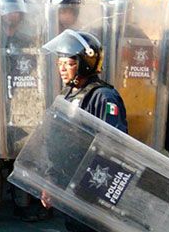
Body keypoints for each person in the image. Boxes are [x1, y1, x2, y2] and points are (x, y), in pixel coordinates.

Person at [39, 29, 127, 232]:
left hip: (92, 188)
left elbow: (113, 147)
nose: (62, 69)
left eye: (69, 63)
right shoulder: (68, 94)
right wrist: (51, 180)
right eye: (59, 63)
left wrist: (94, 189)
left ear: (85, 63)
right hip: (70, 184)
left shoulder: (103, 97)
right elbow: (56, 141)